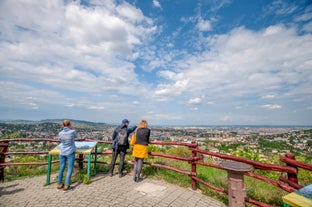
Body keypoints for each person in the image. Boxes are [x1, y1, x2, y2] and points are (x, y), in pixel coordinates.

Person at [57, 119, 77, 191]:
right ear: (69, 124)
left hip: (62, 152)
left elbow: (60, 140)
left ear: (63, 125)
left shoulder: (60, 133)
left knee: (61, 168)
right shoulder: (72, 132)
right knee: (70, 168)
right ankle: (66, 185)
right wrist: (73, 128)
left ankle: (59, 184)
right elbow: (75, 136)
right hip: (70, 152)